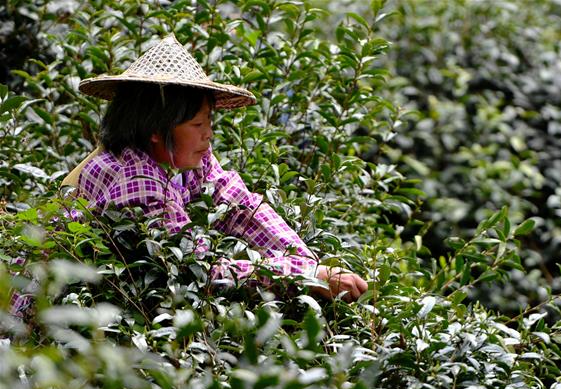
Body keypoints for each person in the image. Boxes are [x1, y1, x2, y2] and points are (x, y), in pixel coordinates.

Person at [68, 35, 367, 303]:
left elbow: (238, 206)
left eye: (209, 121)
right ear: (155, 130)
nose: (208, 134)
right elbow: (196, 273)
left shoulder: (181, 154)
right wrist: (300, 275)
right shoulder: (136, 183)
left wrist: (310, 264)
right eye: (197, 124)